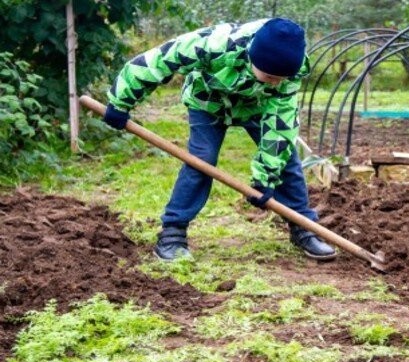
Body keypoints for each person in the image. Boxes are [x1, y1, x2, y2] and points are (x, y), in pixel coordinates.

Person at [102, 18, 336, 262]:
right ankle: (172, 234)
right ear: (251, 57)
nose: (277, 82)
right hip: (208, 103)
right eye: (270, 76)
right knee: (201, 160)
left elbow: (280, 126)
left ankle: (304, 228)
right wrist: (121, 102)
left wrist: (265, 178)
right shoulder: (213, 44)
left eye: (282, 78)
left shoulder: (291, 70)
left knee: (288, 161)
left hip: (258, 106)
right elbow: (157, 61)